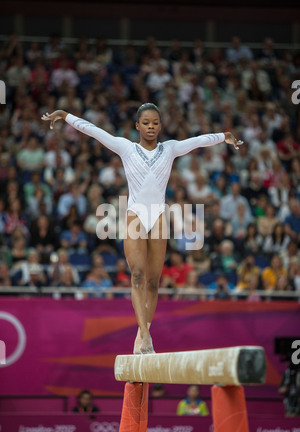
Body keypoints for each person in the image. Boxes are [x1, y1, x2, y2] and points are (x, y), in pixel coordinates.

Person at [42, 104, 243, 354]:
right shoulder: (126, 148)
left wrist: (224, 136)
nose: (151, 127)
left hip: (158, 216)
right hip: (136, 215)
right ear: (137, 125)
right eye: (146, 122)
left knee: (153, 281)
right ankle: (145, 335)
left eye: (155, 122)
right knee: (137, 276)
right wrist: (65, 115)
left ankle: (142, 330)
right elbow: (94, 131)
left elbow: (198, 141)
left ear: (160, 125)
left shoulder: (169, 149)